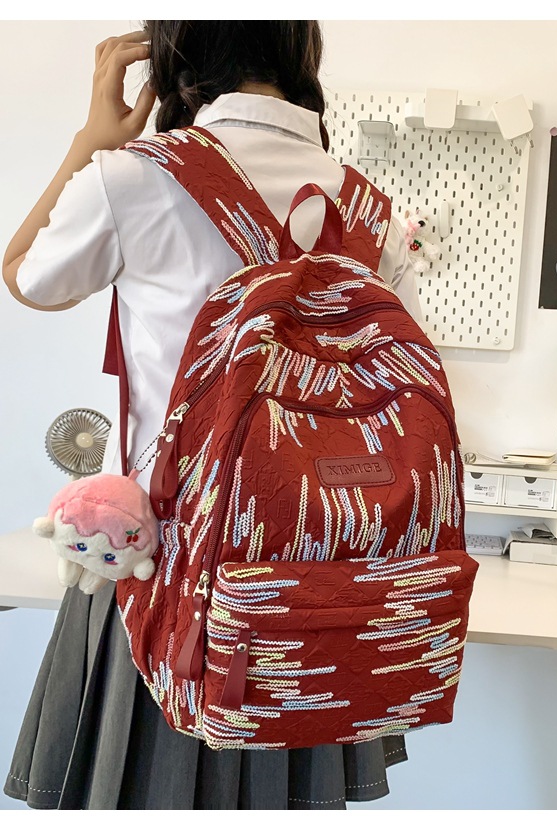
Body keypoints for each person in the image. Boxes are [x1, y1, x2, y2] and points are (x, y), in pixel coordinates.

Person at [2, 21, 420, 810]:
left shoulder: (133, 178)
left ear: (173, 55)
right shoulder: (369, 210)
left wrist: (90, 144)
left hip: (161, 564)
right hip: (314, 572)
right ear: (302, 54)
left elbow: (24, 276)